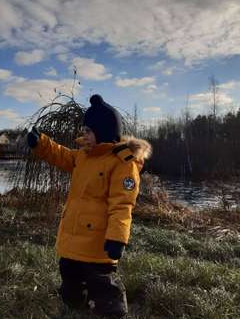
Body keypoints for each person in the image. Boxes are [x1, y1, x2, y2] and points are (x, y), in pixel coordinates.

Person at [27, 94, 151, 318]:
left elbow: (122, 204)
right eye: (84, 130)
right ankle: (75, 304)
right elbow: (61, 156)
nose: (83, 135)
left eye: (88, 131)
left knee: (103, 284)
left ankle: (114, 313)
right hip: (72, 236)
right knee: (69, 277)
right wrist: (41, 144)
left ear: (103, 132)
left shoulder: (122, 163)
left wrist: (117, 238)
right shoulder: (83, 155)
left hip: (98, 243)